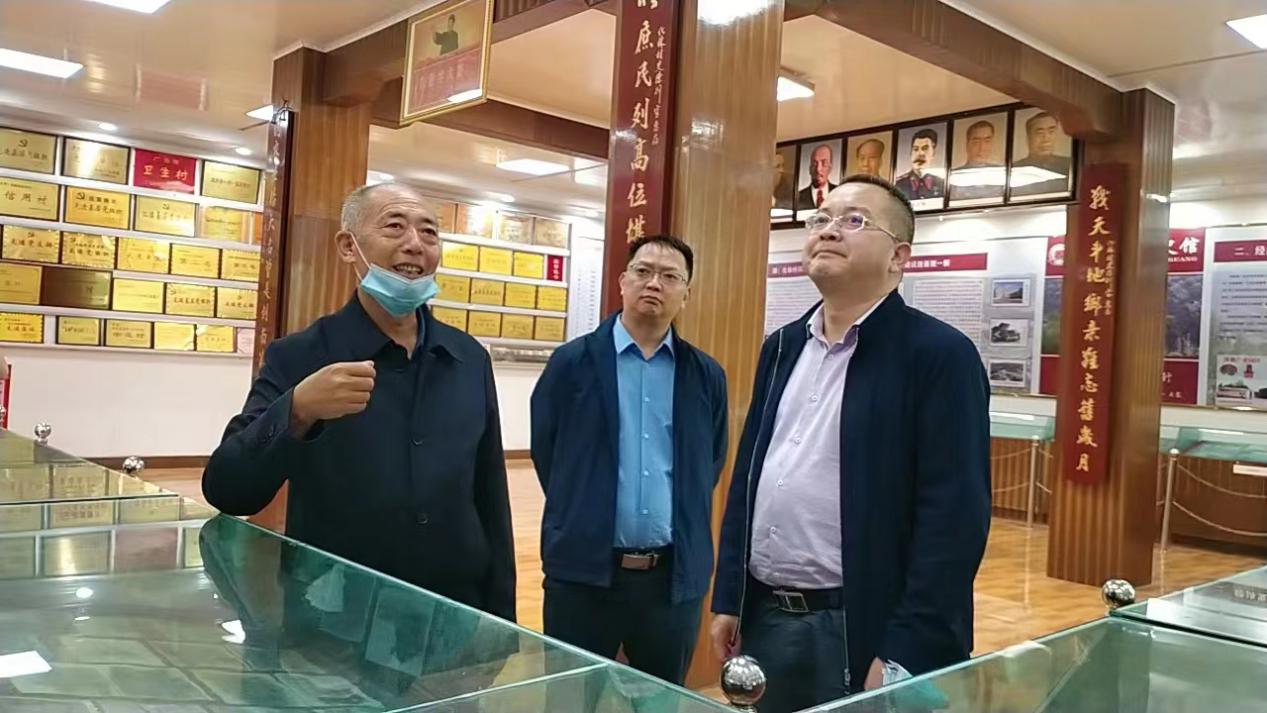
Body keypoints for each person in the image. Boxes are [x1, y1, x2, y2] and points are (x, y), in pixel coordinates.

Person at [709, 175, 991, 713]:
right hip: (768, 615)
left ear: (898, 257)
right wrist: (730, 596)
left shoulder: (938, 355)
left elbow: (955, 518)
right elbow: (749, 477)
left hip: (861, 623)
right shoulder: (783, 345)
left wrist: (907, 647)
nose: (829, 230)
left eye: (854, 220)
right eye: (821, 219)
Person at [202, 182, 516, 623]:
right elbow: (228, 490)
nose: (415, 244)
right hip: (335, 617)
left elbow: (490, 493)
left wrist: (501, 620)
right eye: (395, 226)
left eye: (429, 232)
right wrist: (297, 410)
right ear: (349, 246)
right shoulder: (301, 355)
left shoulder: (467, 358)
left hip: (453, 614)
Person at [530, 234, 728, 694]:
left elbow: (710, 462)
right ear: (622, 281)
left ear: (686, 293)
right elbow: (548, 453)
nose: (654, 283)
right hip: (583, 573)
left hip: (671, 581)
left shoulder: (705, 375)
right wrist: (580, 510)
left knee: (660, 699)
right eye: (643, 271)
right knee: (569, 700)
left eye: (670, 276)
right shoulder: (571, 363)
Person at [1011, 112, 1072, 197]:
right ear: (1028, 138)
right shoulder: (1015, 169)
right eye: (1039, 133)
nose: (1046, 139)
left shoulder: (1070, 165)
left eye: (1051, 132)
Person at [950, 120, 1004, 202]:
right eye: (976, 142)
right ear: (967, 144)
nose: (982, 148)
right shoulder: (953, 176)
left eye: (987, 141)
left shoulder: (1001, 173)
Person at [894, 128, 945, 201]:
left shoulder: (943, 185)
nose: (920, 153)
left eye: (925, 148)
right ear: (911, 154)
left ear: (933, 153)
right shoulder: (896, 185)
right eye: (915, 149)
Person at [797, 144, 838, 211]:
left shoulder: (840, 194)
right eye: (814, 164)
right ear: (810, 169)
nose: (818, 169)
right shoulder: (797, 197)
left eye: (824, 163)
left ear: (830, 168)